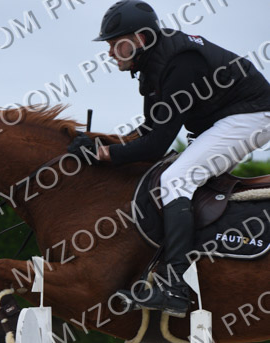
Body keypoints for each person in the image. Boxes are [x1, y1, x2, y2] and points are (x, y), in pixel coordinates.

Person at [93, 0, 270, 317]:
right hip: (225, 120)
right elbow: (149, 128)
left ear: (140, 39)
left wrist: (106, 154)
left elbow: (155, 145)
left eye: (115, 43)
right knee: (175, 177)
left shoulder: (180, 63)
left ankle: (174, 287)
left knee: (176, 179)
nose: (109, 52)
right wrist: (103, 142)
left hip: (252, 116)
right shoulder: (150, 65)